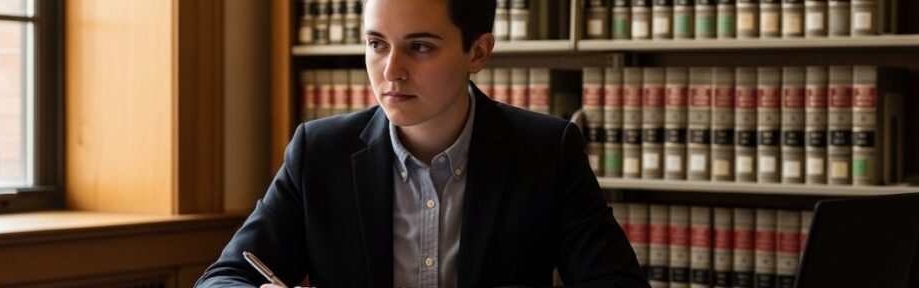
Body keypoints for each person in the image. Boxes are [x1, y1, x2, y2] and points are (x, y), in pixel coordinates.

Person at [194, 0, 646, 287]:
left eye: (421, 47)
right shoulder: (319, 152)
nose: (391, 71)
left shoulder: (547, 151)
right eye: (376, 44)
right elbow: (226, 276)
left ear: (478, 52)